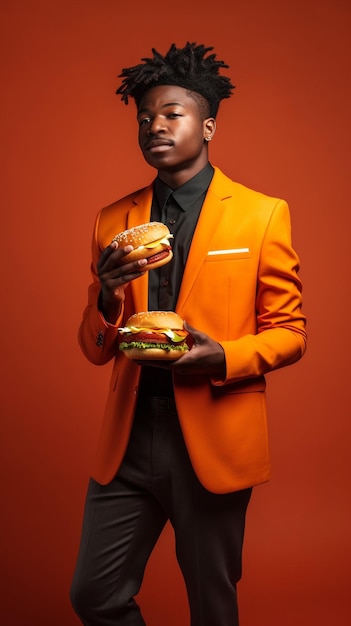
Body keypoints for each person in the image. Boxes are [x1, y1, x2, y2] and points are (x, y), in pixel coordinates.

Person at [70, 42, 307, 626]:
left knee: (212, 604)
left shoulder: (261, 214)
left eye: (171, 114)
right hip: (128, 438)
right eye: (144, 118)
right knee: (93, 595)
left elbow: (291, 333)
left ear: (207, 126)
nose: (155, 126)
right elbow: (96, 350)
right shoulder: (112, 219)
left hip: (213, 437)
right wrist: (105, 296)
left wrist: (220, 355)